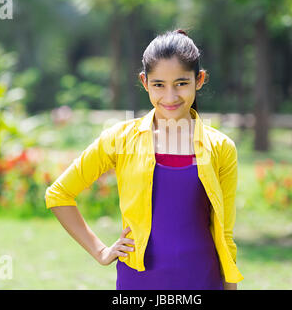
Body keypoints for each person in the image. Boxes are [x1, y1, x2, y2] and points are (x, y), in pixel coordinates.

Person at [45, 29, 244, 290]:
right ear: (144, 81)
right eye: (159, 84)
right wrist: (101, 251)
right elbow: (59, 194)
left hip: (202, 279)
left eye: (181, 83)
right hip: (138, 282)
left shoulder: (221, 148)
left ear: (200, 79)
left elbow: (225, 236)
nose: (170, 97)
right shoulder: (120, 139)